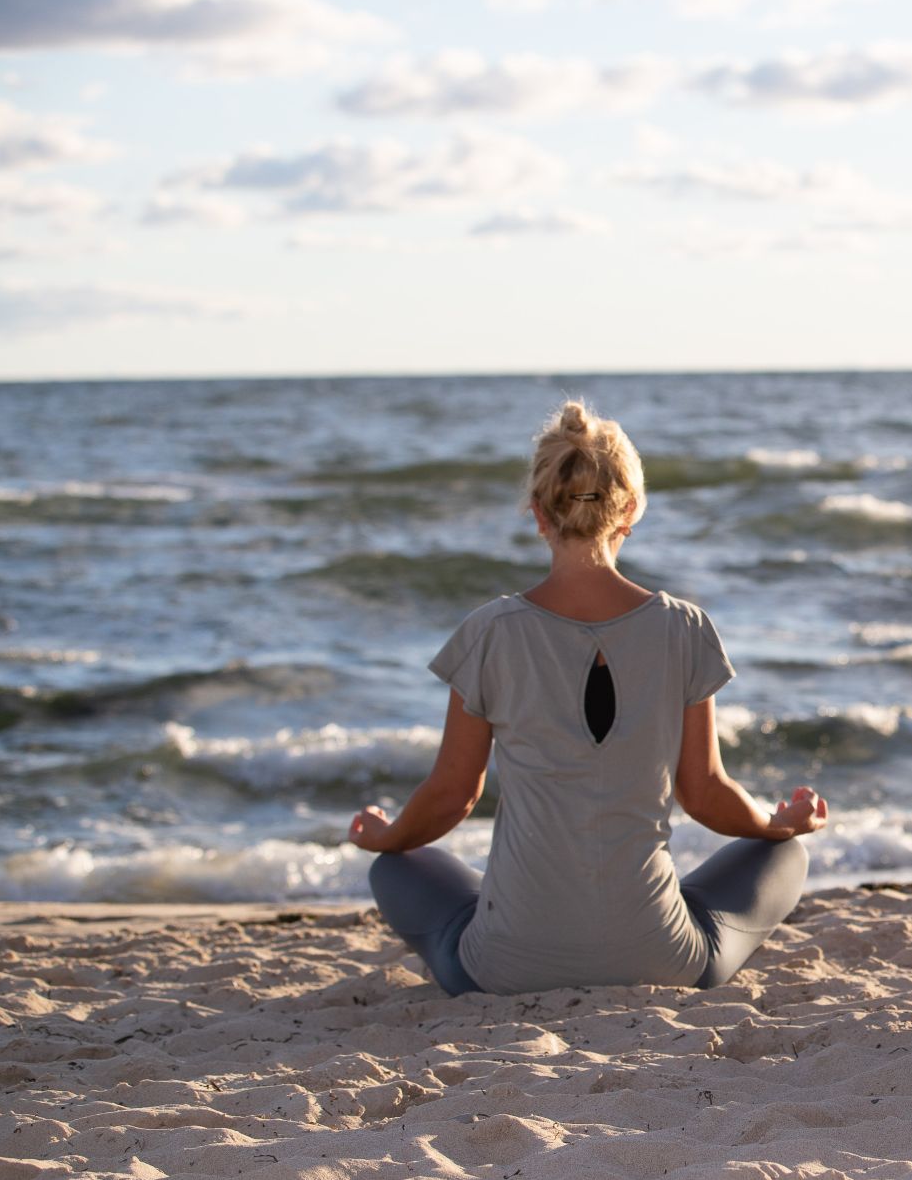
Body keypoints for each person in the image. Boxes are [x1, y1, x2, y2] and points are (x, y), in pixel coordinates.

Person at [349, 400, 827, 996]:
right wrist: (778, 823)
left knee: (397, 865)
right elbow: (704, 793)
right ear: (630, 511)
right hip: (661, 957)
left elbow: (452, 796)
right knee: (788, 857)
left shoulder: (491, 632)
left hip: (504, 967)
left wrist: (384, 836)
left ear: (537, 514)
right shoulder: (683, 628)